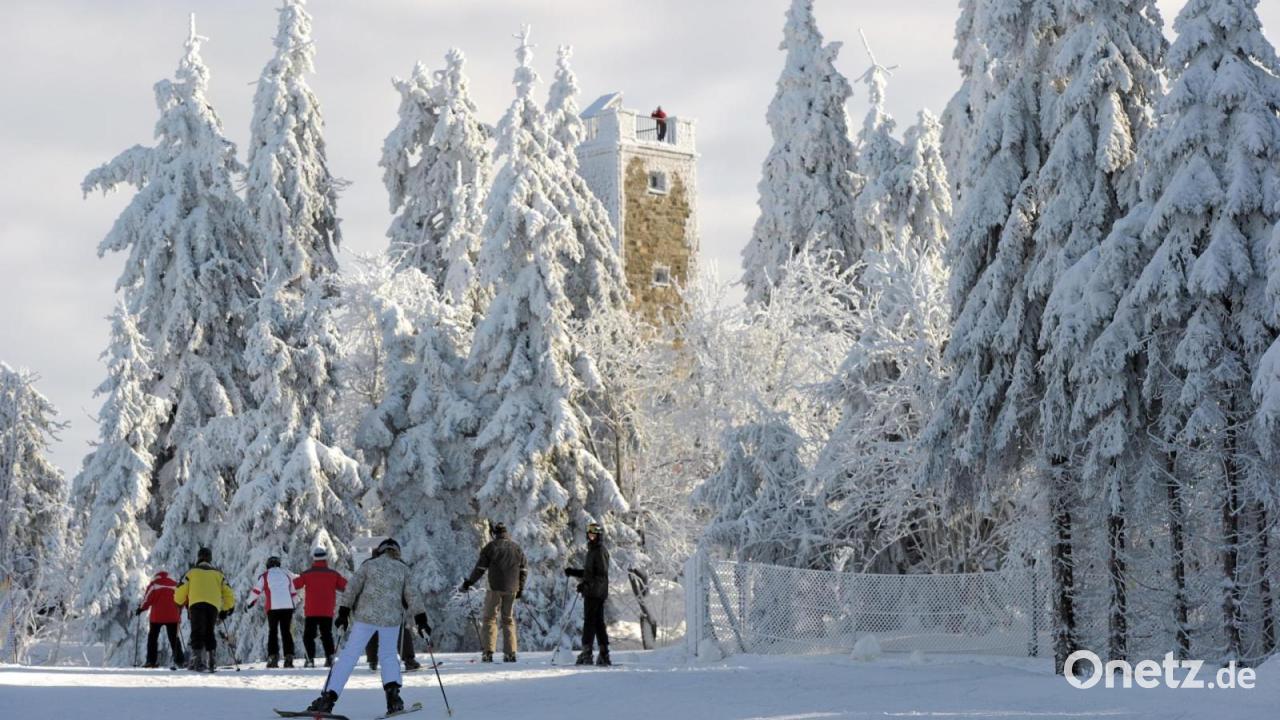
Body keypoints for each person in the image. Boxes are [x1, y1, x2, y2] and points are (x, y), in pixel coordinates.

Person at [306, 538, 430, 717]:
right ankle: (394, 699)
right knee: (388, 656)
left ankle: (327, 699)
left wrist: (343, 613)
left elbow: (351, 589)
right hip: (391, 620)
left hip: (365, 618)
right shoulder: (403, 568)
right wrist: (421, 620)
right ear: (396, 551)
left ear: (379, 551)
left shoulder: (368, 565)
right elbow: (413, 596)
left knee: (349, 656)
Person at [460, 522, 527, 663]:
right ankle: (510, 653)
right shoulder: (517, 548)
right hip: (512, 589)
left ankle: (488, 652)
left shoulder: (491, 547)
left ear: (494, 533)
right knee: (508, 619)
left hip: (494, 587)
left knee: (490, 618)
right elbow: (523, 570)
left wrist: (469, 582)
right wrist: (520, 588)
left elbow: (480, 568)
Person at [173, 547, 235, 673]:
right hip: (213, 606)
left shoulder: (191, 572)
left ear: (199, 557)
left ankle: (198, 660)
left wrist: (178, 602)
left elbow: (180, 589)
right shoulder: (218, 574)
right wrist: (226, 608)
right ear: (210, 559)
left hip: (196, 604)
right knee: (209, 631)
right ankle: (212, 659)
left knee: (197, 631)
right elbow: (229, 593)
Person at [360, 546, 421, 672]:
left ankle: (372, 660)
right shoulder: (398, 564)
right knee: (400, 630)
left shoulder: (366, 564)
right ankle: (409, 659)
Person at [564, 521, 611, 666]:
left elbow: (600, 575)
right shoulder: (593, 550)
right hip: (593, 591)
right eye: (589, 534)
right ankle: (602, 653)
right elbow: (590, 573)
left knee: (590, 623)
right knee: (597, 623)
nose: (591, 536)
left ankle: (588, 652)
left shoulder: (599, 550)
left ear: (598, 535)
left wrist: (586, 586)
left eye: (594, 534)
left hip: (595, 593)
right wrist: (574, 572)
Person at [293, 546, 347, 668]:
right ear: (326, 558)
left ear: (314, 559)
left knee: (309, 636)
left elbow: (295, 585)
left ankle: (310, 659)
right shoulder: (333, 574)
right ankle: (330, 658)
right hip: (327, 611)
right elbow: (346, 587)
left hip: (311, 610)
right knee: (326, 634)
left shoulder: (307, 574)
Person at [249, 555, 298, 668]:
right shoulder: (286, 574)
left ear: (268, 565)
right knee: (286, 632)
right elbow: (293, 592)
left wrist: (249, 603)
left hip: (273, 607)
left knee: (273, 632)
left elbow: (256, 591)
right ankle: (289, 658)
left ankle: (273, 658)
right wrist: (294, 604)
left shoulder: (265, 576)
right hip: (287, 607)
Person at [136, 570, 185, 669]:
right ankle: (180, 661)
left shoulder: (154, 584)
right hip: (173, 616)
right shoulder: (175, 585)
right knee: (174, 639)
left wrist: (141, 608)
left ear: (157, 576)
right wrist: (180, 610)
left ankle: (151, 661)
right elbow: (182, 598)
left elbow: (147, 599)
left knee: (153, 638)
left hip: (157, 616)